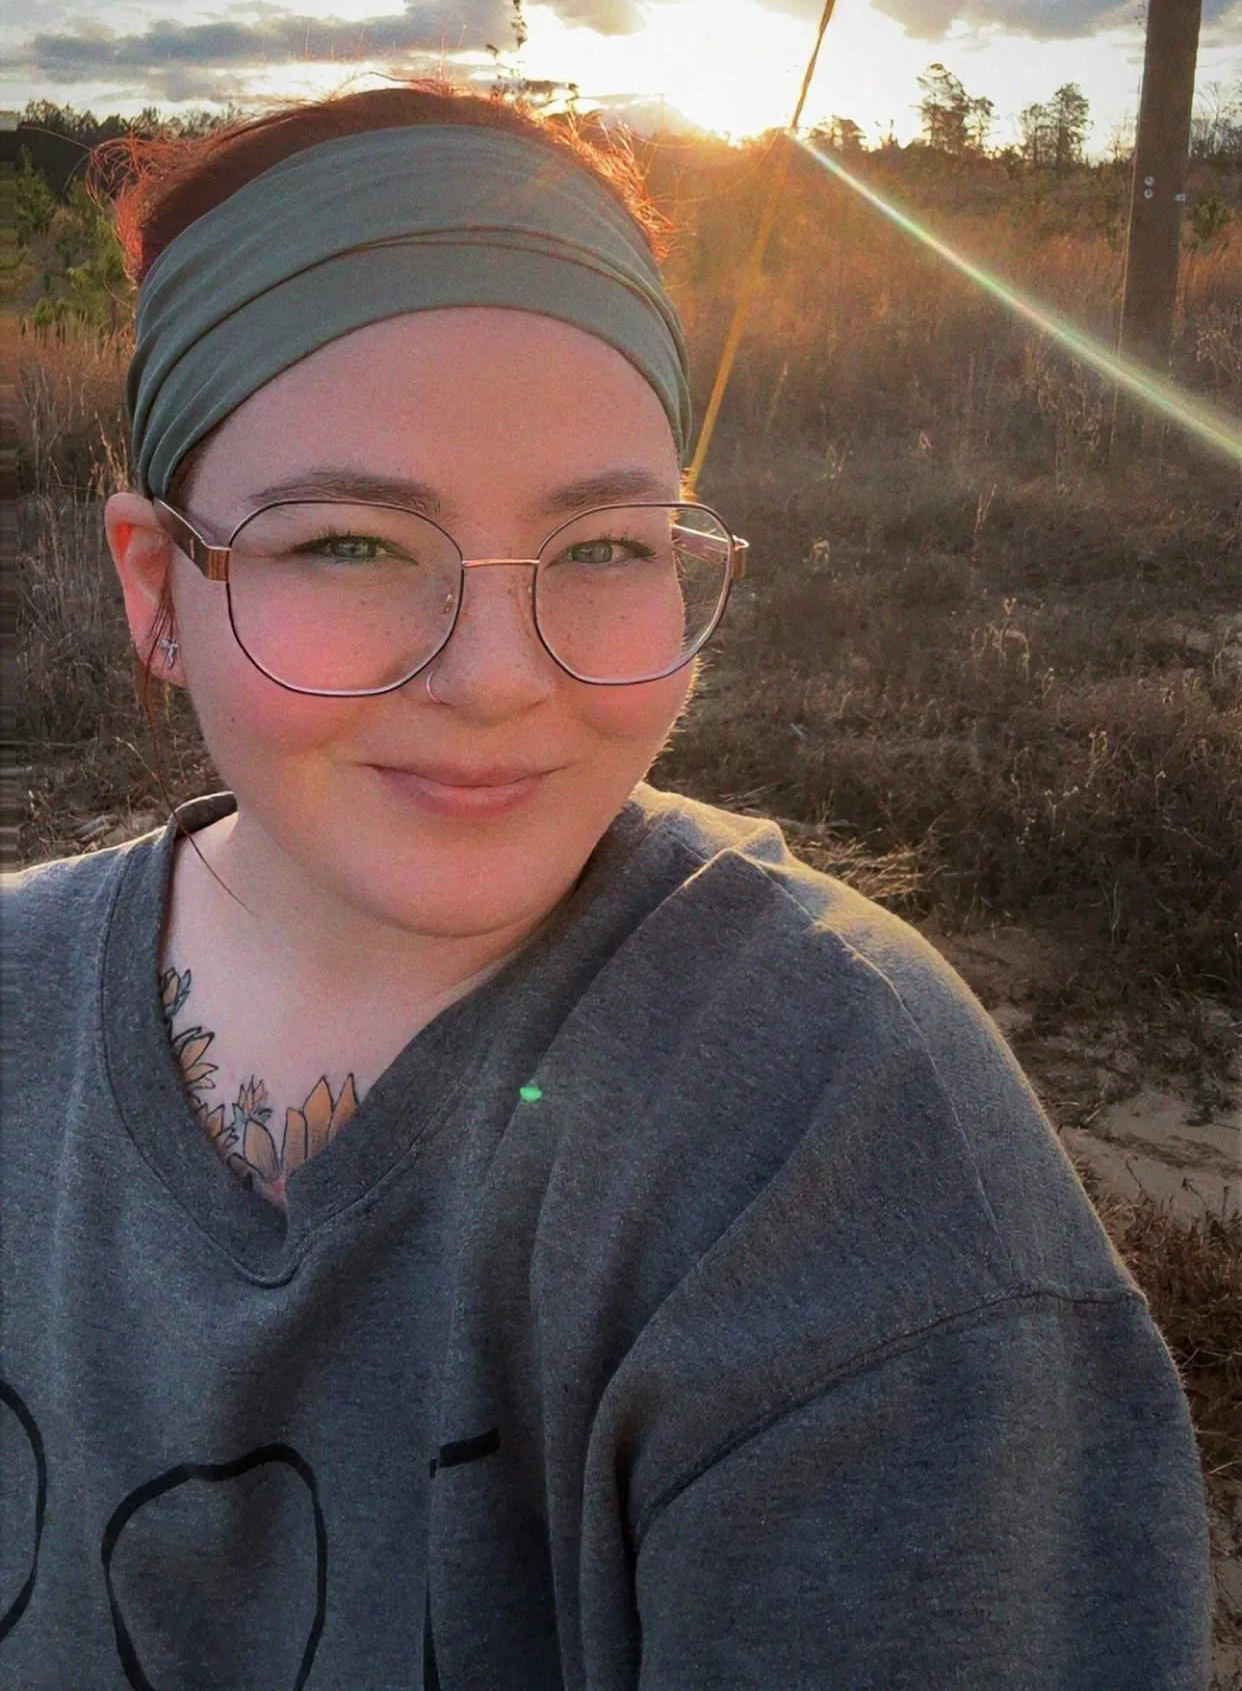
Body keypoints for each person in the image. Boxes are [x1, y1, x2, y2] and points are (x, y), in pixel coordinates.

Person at [2, 83, 1210, 1689]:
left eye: (605, 547)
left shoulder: (829, 1137)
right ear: (157, 586)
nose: (500, 681)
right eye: (352, 545)